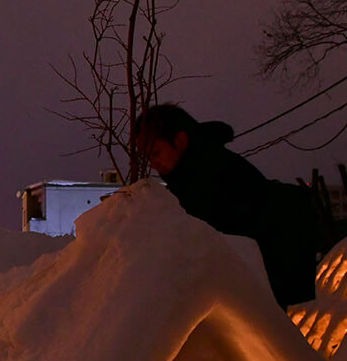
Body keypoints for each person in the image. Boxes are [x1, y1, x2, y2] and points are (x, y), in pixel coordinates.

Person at [134, 104, 318, 307]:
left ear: (180, 141)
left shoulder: (211, 179)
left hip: (256, 301)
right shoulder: (200, 173)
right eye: (147, 157)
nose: (152, 163)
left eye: (155, 153)